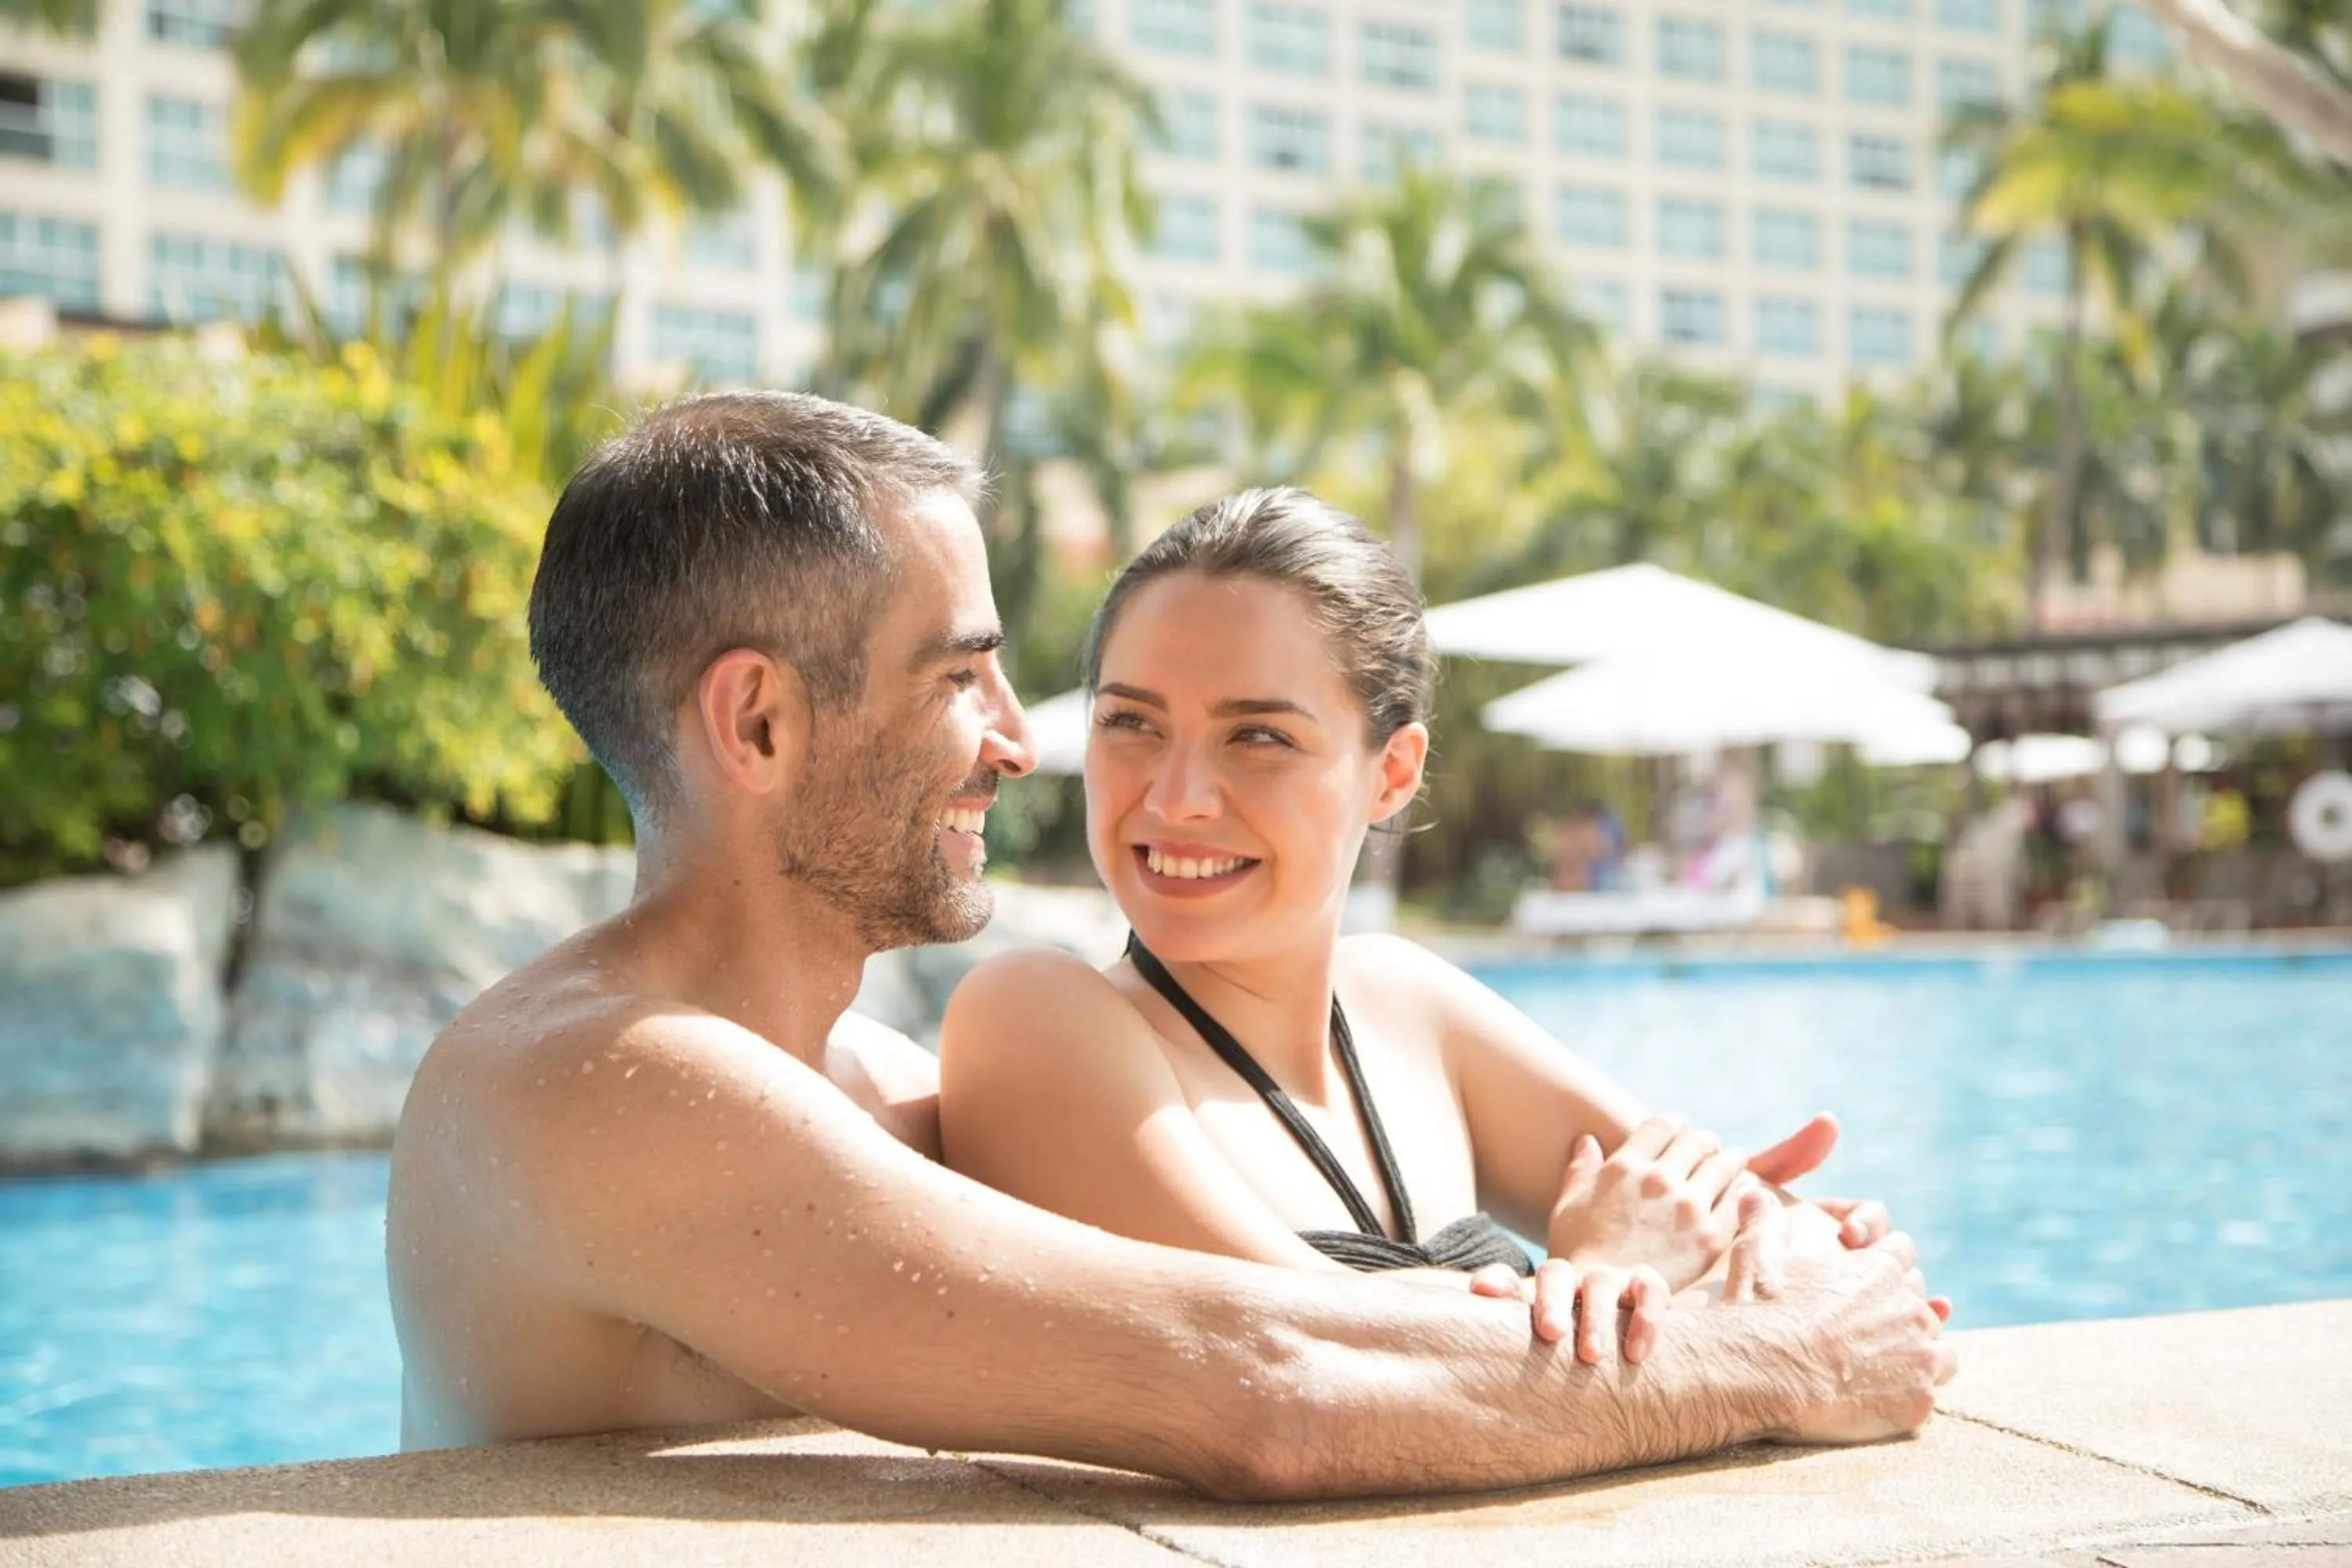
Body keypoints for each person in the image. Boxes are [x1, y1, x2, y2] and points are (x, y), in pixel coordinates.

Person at [387, 392, 1951, 1503]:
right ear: (758, 723)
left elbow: (1316, 1318)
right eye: (960, 678)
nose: (1020, 742)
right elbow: (1266, 1388)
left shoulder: (882, 1090)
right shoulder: (603, 1082)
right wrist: (1770, 1355)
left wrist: (1753, 1263)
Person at [936, 488, 1933, 1359]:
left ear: (1393, 772)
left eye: (1258, 736)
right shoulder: (1038, 1022)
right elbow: (1311, 1357)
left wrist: (1750, 1250)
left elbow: (1794, 1257)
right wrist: (1606, 1270)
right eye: (1131, 723)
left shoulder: (1405, 1008)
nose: (1177, 795)